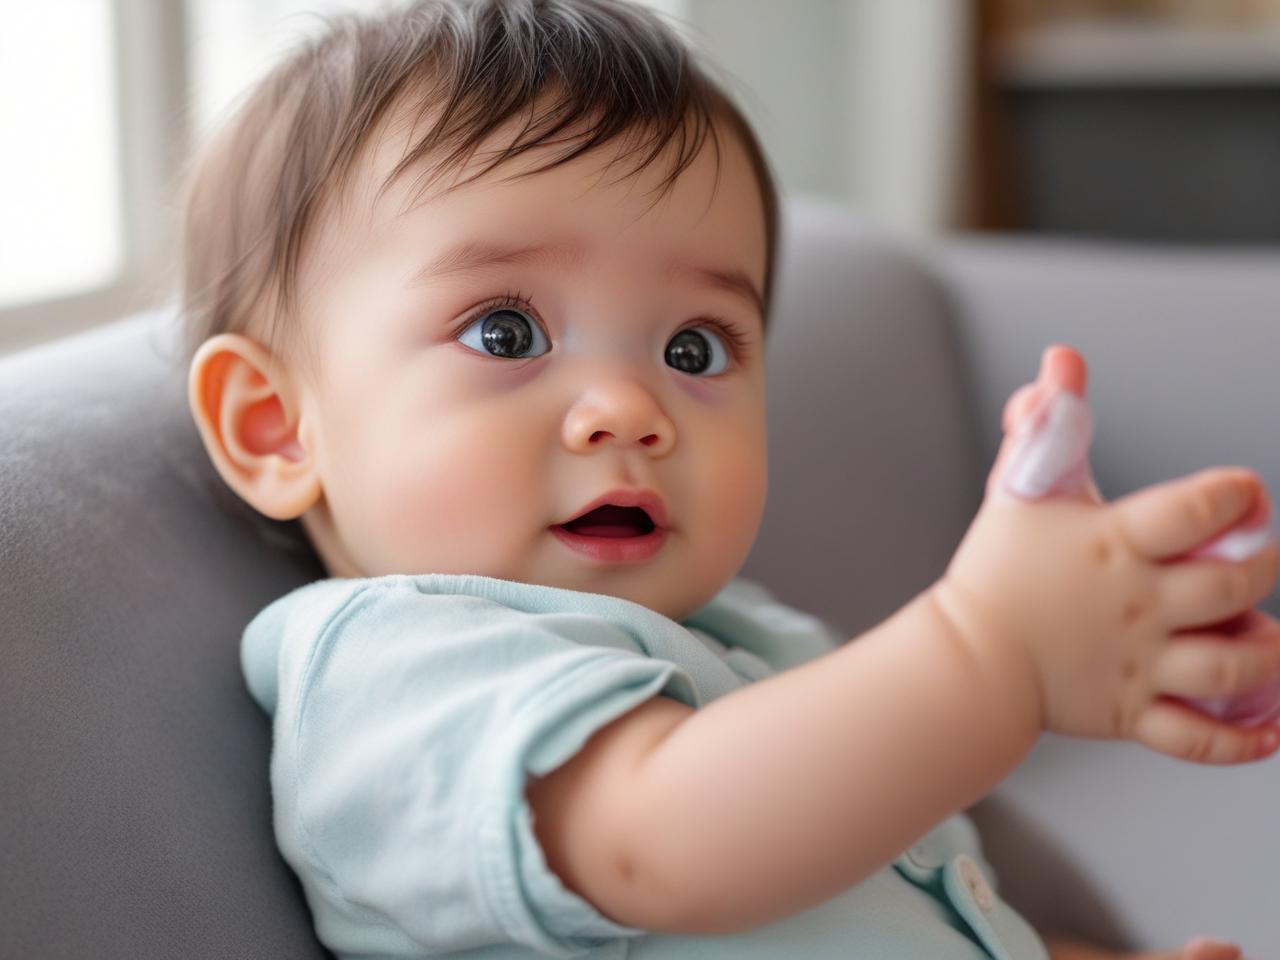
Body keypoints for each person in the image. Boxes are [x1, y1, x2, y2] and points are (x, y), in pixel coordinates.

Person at [182, 1, 1280, 957]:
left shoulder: (747, 640)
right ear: (278, 428)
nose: (631, 409)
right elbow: (660, 841)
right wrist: (994, 651)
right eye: (505, 332)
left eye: (693, 348)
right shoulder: (394, 669)